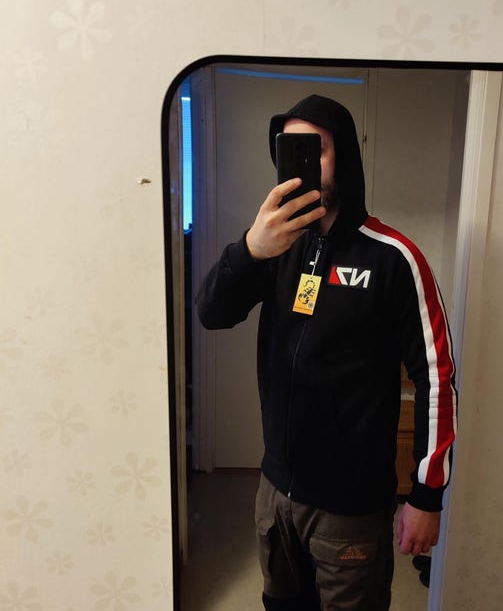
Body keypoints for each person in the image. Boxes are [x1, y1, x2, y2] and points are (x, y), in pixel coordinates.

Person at [196, 94, 457, 611]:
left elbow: (437, 378)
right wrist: (249, 250)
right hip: (275, 489)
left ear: (346, 158)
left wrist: (426, 496)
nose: (303, 162)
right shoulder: (275, 245)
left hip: (350, 505)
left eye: (316, 149)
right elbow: (211, 313)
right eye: (290, 149)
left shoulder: (394, 257)